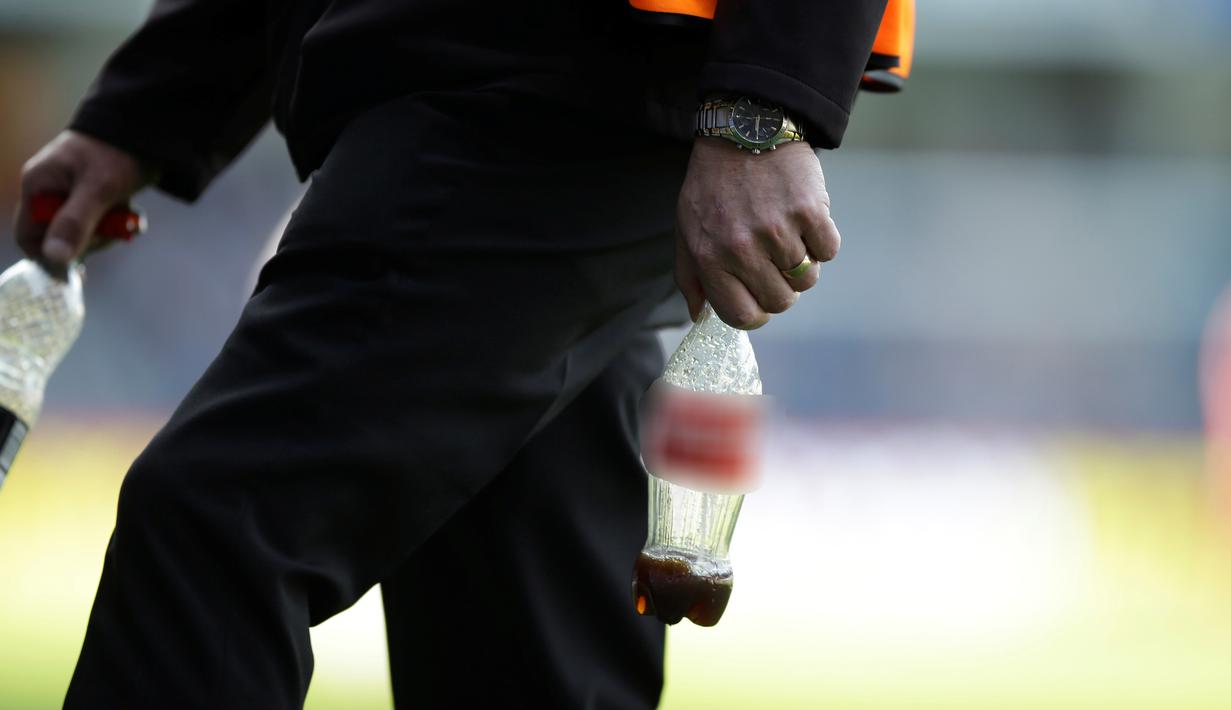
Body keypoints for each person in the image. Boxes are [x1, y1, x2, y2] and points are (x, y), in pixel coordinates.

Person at [13, 2, 889, 708]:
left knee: (216, 525)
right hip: (518, 75)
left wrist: (762, 109)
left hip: (537, 80)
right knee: (516, 642)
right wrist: (144, 110)